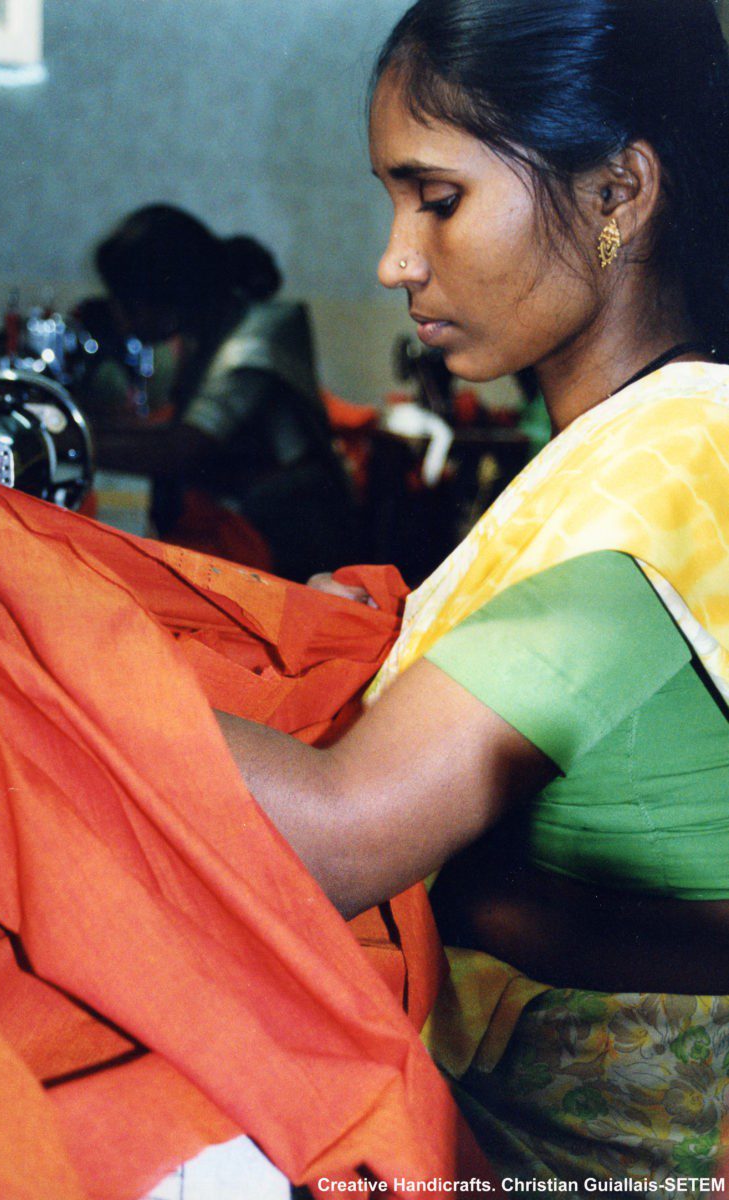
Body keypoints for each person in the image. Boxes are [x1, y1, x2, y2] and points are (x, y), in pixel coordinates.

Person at [215, 0, 729, 1187]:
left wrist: (5, 635)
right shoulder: (626, 450)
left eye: (435, 198)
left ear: (617, 193)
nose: (394, 260)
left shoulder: (670, 465)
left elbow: (341, 831)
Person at [77, 204, 358, 582]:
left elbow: (182, 448)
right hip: (255, 521)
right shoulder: (207, 329)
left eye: (128, 302)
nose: (120, 314)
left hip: (294, 539)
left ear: (168, 297)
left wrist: (73, 441)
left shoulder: (259, 333)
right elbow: (171, 427)